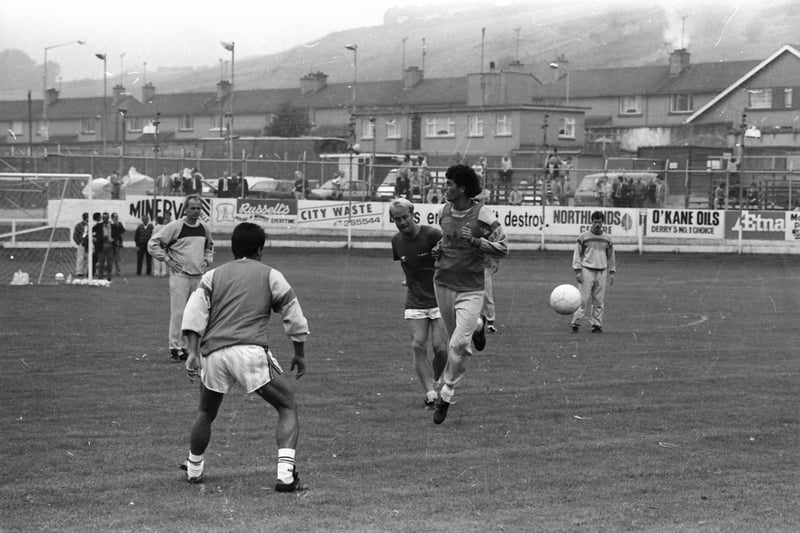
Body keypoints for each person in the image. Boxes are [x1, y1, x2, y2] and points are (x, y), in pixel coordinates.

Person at [180, 222, 309, 492]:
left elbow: (194, 313)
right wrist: (299, 354)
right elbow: (293, 316)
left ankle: (193, 469)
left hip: (213, 354)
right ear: (260, 249)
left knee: (206, 412)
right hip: (249, 351)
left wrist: (192, 353)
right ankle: (286, 475)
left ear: (233, 247)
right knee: (287, 406)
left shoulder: (213, 276)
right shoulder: (270, 275)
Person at [430, 164, 509, 424]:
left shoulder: (482, 213)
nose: (445, 188)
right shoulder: (443, 210)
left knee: (458, 345)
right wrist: (438, 249)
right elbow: (447, 240)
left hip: (471, 288)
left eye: (449, 184)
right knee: (458, 341)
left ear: (462, 187)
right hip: (442, 282)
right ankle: (478, 325)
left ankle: (447, 392)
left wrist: (476, 242)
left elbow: (503, 247)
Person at [390, 198, 448, 408]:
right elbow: (407, 265)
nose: (402, 222)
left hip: (440, 298)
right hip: (415, 300)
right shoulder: (396, 241)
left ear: (413, 213)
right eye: (397, 219)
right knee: (417, 345)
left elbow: (450, 257)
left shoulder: (432, 234)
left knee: (440, 349)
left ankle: (436, 381)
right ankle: (431, 393)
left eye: (405, 217)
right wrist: (411, 280)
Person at [148, 195, 215, 362]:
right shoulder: (175, 227)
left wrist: (207, 259)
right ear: (185, 209)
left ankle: (187, 348)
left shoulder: (204, 228)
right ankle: (174, 348)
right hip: (180, 276)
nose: (195, 211)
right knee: (178, 313)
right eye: (192, 208)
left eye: (198, 208)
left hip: (198, 277)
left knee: (194, 314)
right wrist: (167, 260)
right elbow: (153, 244)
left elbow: (210, 246)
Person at [571, 211, 616, 334]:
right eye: (595, 222)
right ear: (591, 222)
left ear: (603, 223)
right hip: (587, 270)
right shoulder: (583, 237)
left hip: (601, 272)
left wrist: (611, 272)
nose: (597, 224)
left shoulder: (607, 239)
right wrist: (578, 270)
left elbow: (611, 256)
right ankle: (576, 322)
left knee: (599, 300)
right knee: (582, 299)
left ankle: (597, 325)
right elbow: (577, 254)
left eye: (599, 222)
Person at [93, 212, 115, 280]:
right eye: (103, 218)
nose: (105, 219)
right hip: (101, 246)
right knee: (101, 263)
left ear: (108, 218)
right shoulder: (98, 226)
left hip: (110, 247)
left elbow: (117, 235)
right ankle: (100, 277)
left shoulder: (113, 226)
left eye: (106, 218)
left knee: (109, 263)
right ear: (102, 218)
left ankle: (109, 276)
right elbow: (92, 233)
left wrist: (113, 240)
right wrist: (96, 238)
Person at [72, 212, 89, 277]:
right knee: (80, 258)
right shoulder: (79, 225)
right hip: (81, 244)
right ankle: (79, 271)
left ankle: (87, 271)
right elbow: (75, 235)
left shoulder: (90, 225)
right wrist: (79, 242)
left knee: (88, 258)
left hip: (89, 244)